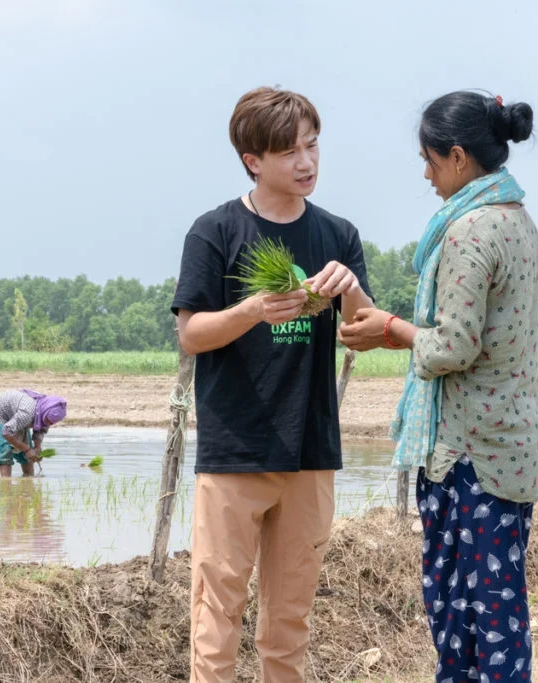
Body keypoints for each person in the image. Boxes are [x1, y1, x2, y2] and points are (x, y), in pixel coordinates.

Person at [171, 86, 374, 682]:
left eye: (312, 146)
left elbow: (361, 332)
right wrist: (254, 310)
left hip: (310, 449)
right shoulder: (215, 231)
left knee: (290, 619)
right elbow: (192, 333)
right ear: (252, 161)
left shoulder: (337, 235)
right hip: (235, 450)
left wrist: (350, 290)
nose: (306, 162)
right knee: (217, 613)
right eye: (288, 152)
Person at [339, 90, 538, 682]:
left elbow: (454, 346)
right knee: (498, 615)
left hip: (469, 457)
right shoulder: (519, 222)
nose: (427, 175)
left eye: (429, 160)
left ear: (458, 157)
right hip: (509, 445)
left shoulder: (469, 232)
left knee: (465, 619)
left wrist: (391, 330)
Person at [0, 388, 67, 477]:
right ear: (44, 413)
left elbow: (41, 429)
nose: (49, 423)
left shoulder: (45, 412)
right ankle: (6, 483)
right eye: (48, 420)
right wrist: (27, 449)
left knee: (27, 456)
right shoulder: (27, 413)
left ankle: (29, 478)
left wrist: (37, 447)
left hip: (17, 417)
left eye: (51, 422)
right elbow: (6, 432)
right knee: (5, 452)